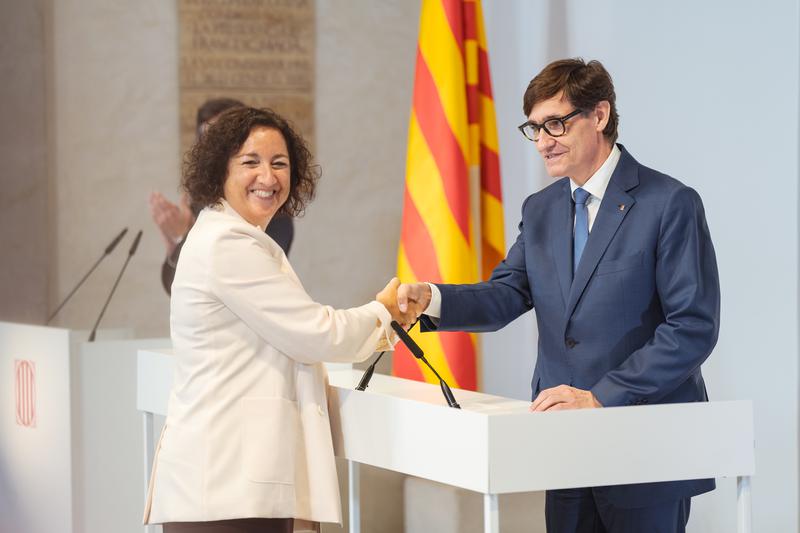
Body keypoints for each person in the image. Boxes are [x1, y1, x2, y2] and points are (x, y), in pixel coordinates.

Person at [396, 58, 720, 533]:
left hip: (645, 450)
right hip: (562, 448)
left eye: (555, 124)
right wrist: (433, 299)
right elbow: (509, 292)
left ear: (600, 116)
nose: (543, 141)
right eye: (534, 128)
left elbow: (692, 327)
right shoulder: (542, 208)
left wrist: (602, 397)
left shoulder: (669, 202)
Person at [143, 107, 412, 533]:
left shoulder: (239, 237)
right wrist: (387, 313)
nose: (267, 177)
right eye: (250, 163)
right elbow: (315, 334)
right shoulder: (226, 244)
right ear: (219, 172)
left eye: (279, 163)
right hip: (226, 488)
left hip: (232, 484)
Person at [149, 98, 295, 294]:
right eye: (208, 140)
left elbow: (246, 276)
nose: (215, 150)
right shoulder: (203, 207)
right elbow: (176, 287)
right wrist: (179, 242)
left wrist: (183, 237)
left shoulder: (270, 207)